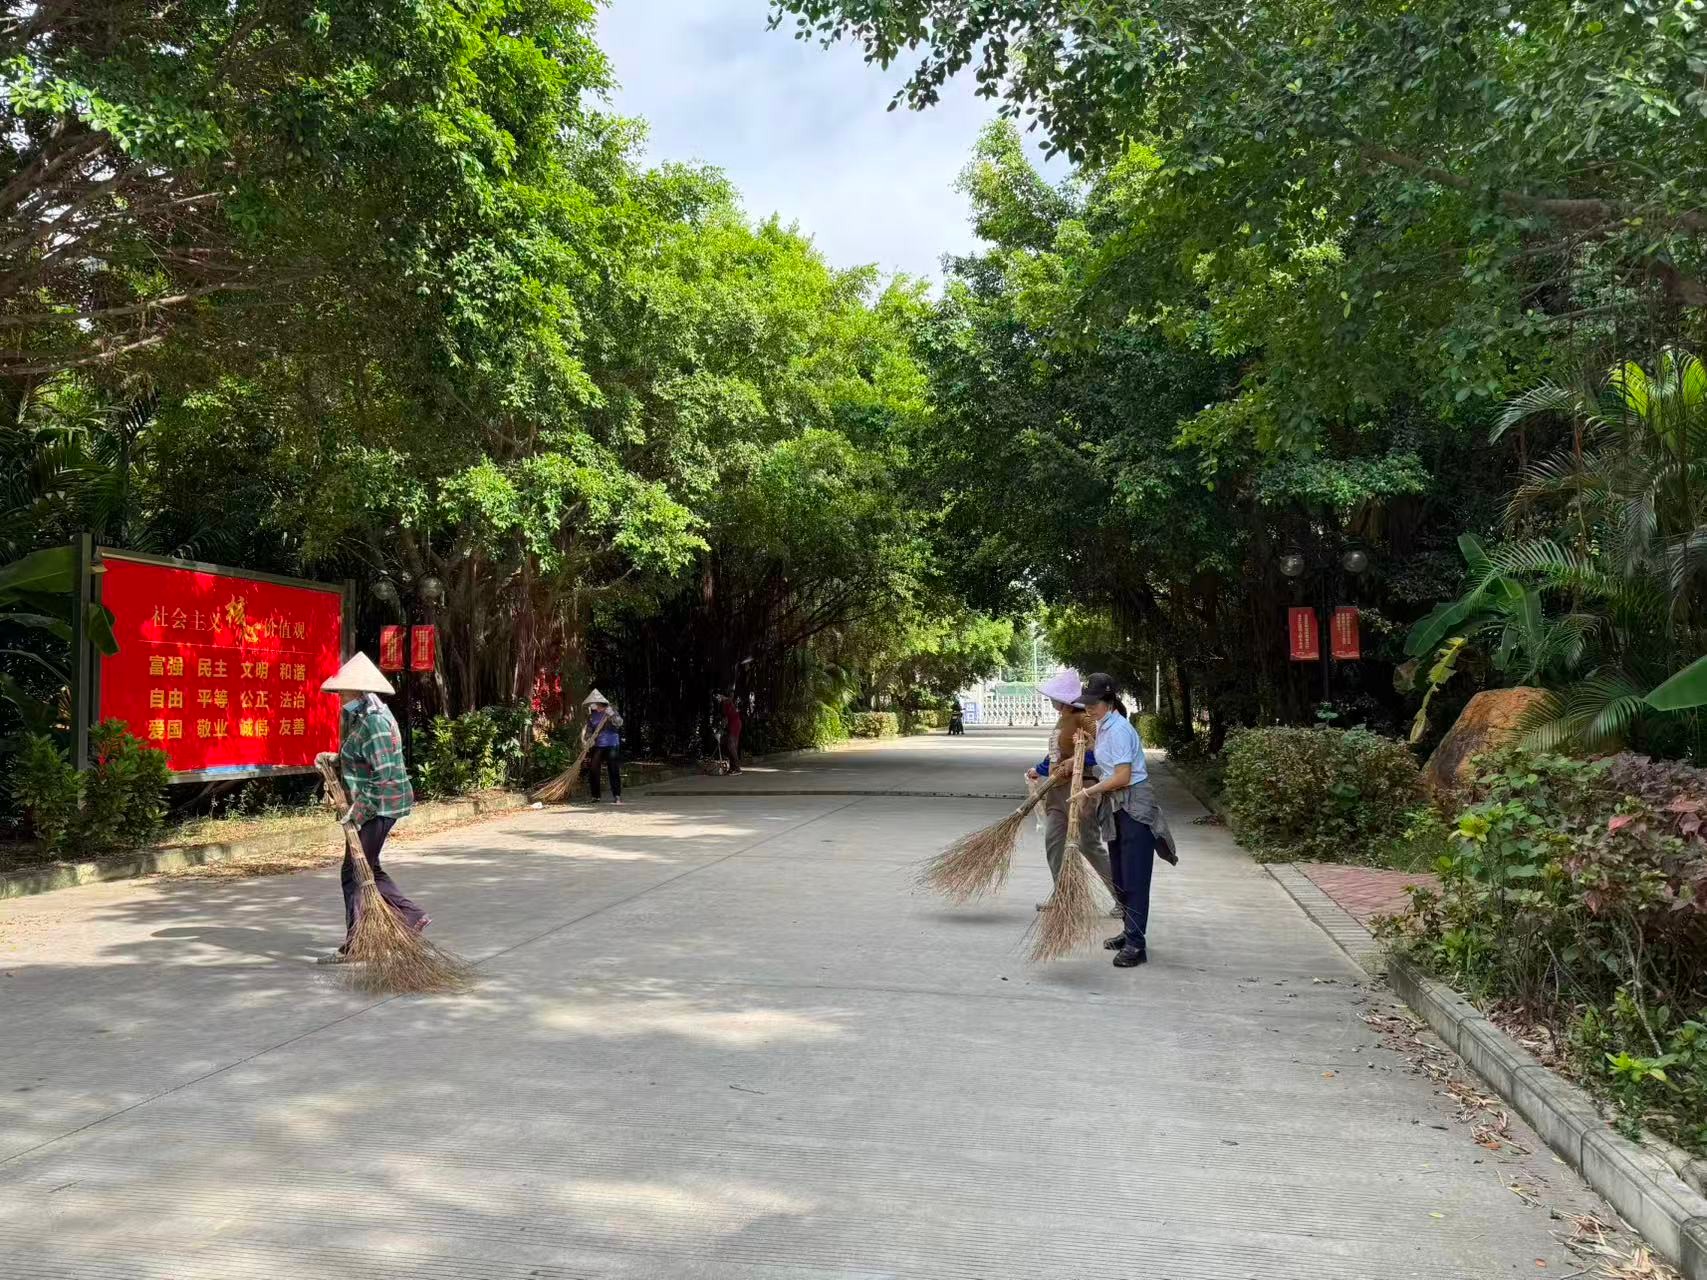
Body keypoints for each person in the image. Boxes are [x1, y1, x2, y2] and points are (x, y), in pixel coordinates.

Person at [318, 652, 429, 964]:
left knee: (356, 869)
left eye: (343, 693)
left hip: (381, 804)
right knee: (364, 867)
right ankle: (404, 919)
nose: (340, 698)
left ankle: (360, 942)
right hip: (374, 803)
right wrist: (334, 759)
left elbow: (384, 773)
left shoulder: (376, 722)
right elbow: (363, 757)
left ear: (358, 691)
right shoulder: (366, 718)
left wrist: (357, 813)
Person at [1070, 672, 1178, 969]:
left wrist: (1088, 791)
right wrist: (1087, 745)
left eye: (1094, 703)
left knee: (1135, 877)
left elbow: (1122, 776)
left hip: (1134, 806)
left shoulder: (1119, 729)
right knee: (1119, 875)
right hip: (1116, 806)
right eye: (1086, 703)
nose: (1089, 708)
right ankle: (1130, 931)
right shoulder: (1104, 726)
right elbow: (1108, 761)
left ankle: (1136, 945)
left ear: (1109, 701)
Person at [1025, 670, 1118, 912]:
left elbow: (1100, 750)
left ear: (1063, 699)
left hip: (1081, 789)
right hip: (1056, 791)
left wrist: (1078, 759)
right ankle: (1063, 896)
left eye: (1053, 697)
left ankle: (1122, 899)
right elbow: (1056, 755)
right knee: (1054, 843)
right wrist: (1039, 769)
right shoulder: (1062, 719)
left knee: (1088, 845)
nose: (1050, 700)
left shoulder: (1083, 717)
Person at [582, 689, 624, 804]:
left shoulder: (611, 710)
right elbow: (589, 731)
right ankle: (595, 796)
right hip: (598, 745)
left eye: (595, 704)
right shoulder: (592, 716)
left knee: (613, 769)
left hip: (612, 744)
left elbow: (619, 723)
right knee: (593, 769)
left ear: (600, 703)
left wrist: (612, 715)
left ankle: (617, 795)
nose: (594, 706)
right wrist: (588, 740)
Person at [719, 691, 743, 774]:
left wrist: (720, 729)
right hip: (736, 723)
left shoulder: (726, 702)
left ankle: (737, 768)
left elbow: (725, 718)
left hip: (734, 725)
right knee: (732, 746)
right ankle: (733, 768)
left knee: (731, 746)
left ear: (722, 695)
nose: (718, 698)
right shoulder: (729, 702)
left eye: (718, 696)